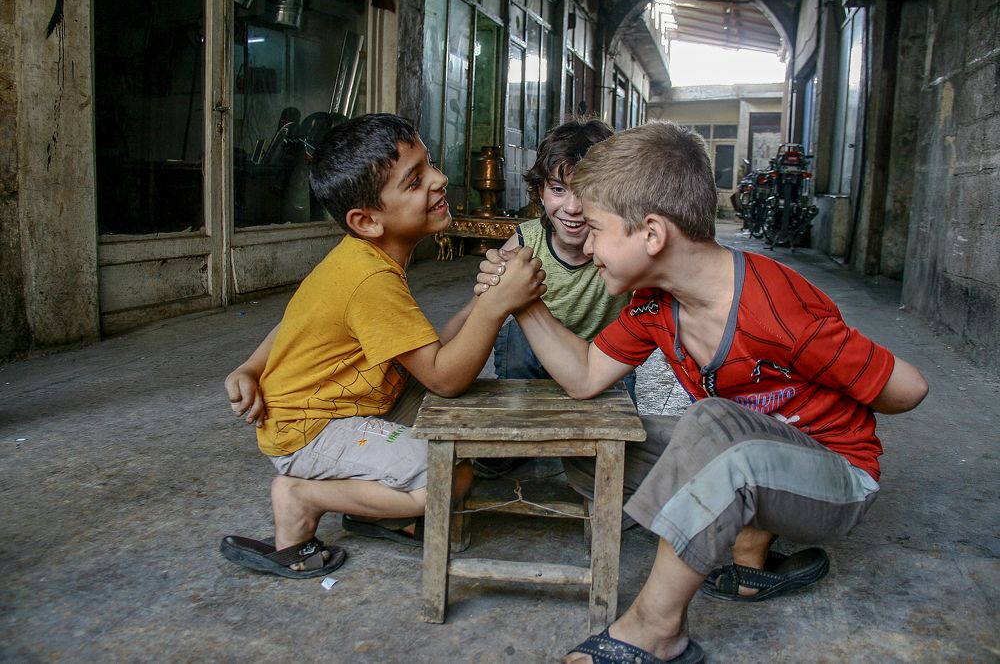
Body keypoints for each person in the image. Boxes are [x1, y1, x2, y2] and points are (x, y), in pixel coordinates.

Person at [477, 121, 928, 663]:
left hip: (836, 480)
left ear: (652, 234)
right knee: (596, 443)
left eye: (595, 228)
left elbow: (908, 389)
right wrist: (522, 301)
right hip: (742, 463)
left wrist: (805, 412)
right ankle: (742, 546)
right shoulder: (653, 304)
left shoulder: (776, 307)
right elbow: (585, 377)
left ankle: (656, 628)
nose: (586, 242)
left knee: (713, 422)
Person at [220, 113, 545, 578]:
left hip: (346, 404)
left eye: (429, 164)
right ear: (368, 220)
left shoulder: (360, 258)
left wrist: (486, 298)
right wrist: (496, 308)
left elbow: (299, 323)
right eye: (415, 181)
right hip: (311, 430)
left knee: (451, 420)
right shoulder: (370, 279)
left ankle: (374, 508)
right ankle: (300, 498)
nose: (439, 179)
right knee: (450, 475)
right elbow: (446, 378)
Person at [475, 117, 634, 477]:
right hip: (535, 356)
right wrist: (494, 279)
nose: (573, 207)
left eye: (586, 191)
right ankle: (515, 434)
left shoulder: (622, 247)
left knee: (619, 450)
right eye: (559, 189)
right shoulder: (526, 240)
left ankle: (594, 449)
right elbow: (482, 310)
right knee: (514, 335)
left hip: (601, 358)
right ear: (541, 191)